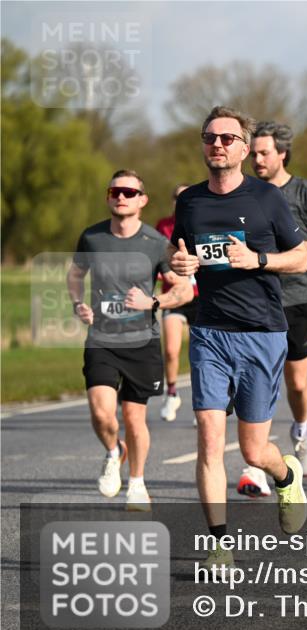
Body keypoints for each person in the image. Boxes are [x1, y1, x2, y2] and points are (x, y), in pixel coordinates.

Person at [169, 106, 307, 569]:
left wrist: (259, 261)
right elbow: (182, 253)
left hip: (261, 332)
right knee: (210, 439)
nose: (218, 145)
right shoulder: (189, 201)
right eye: (210, 137)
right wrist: (180, 265)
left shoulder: (267, 198)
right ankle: (219, 544)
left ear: (245, 149)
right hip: (209, 330)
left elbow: (302, 259)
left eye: (228, 139)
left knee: (253, 449)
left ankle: (286, 474)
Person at [68, 170, 194, 510]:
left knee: (135, 419)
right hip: (102, 340)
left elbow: (183, 289)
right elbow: (75, 274)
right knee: (102, 414)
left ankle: (137, 482)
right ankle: (114, 452)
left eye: (128, 192)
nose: (120, 196)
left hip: (141, 342)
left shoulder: (155, 243)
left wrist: (154, 302)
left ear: (142, 200)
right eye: (115, 191)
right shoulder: (92, 238)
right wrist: (78, 303)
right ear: (108, 197)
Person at [238, 121, 307, 495]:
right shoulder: (243, 192)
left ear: (282, 153)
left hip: (298, 296)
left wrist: (281, 254)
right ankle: (254, 464)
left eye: (264, 152)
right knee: (255, 380)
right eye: (253, 153)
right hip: (252, 299)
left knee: (296, 381)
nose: (257, 160)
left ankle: (300, 431)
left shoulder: (306, 193)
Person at [155, 184, 196, 422]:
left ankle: (200, 402)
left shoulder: (204, 222)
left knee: (199, 353)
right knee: (171, 350)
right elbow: (156, 262)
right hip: (174, 294)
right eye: (177, 198)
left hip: (201, 295)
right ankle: (171, 394)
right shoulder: (164, 226)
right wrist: (168, 275)